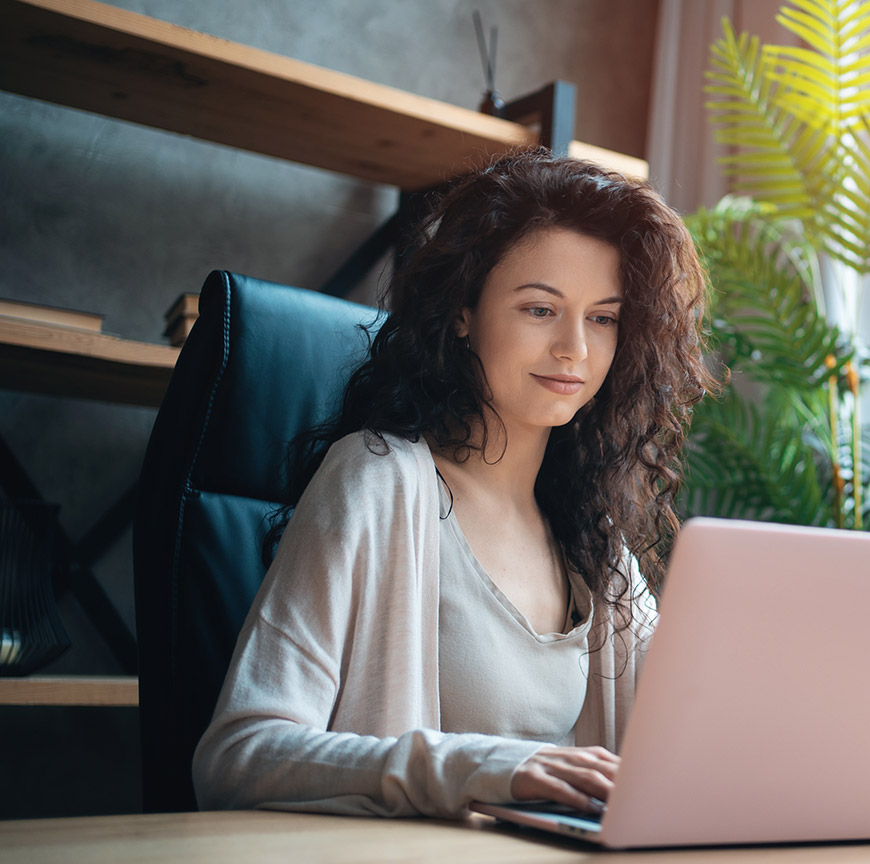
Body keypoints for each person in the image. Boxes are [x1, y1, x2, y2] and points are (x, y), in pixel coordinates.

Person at [192, 149, 716, 818]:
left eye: (603, 318)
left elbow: (693, 722)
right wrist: (486, 767)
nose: (574, 351)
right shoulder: (376, 479)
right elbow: (237, 756)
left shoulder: (593, 540)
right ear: (464, 312)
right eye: (538, 309)